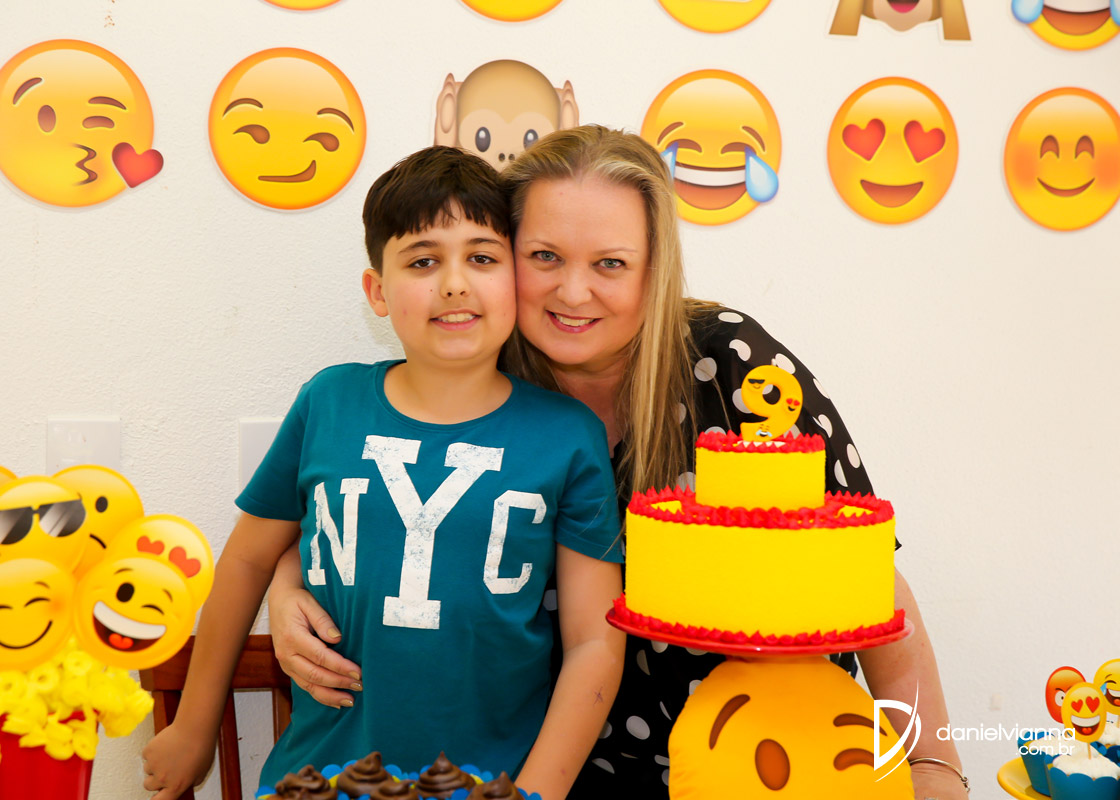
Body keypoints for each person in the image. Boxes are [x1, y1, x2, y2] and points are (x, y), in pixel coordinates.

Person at [266, 127, 969, 800]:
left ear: (652, 271)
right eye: (545, 256)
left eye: (610, 264)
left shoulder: (733, 367)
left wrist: (933, 764)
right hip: (579, 776)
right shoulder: (481, 382)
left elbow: (867, 578)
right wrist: (288, 582)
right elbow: (392, 516)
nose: (574, 292)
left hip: (772, 765)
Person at [139, 146, 625, 800]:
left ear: (515, 278)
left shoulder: (567, 435)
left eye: (482, 258)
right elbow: (249, 560)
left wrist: (532, 795)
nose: (454, 283)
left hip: (494, 782)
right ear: (377, 291)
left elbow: (594, 640)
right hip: (317, 778)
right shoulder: (328, 403)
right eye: (423, 261)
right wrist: (195, 726)